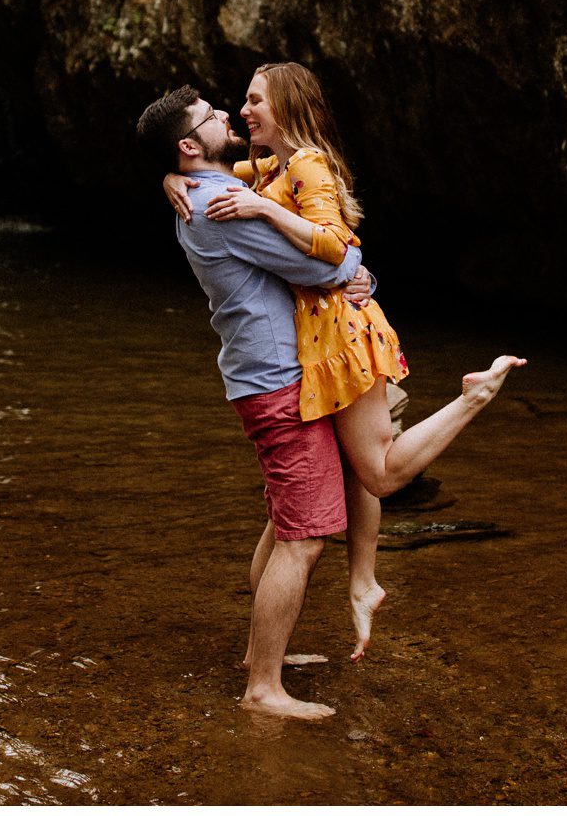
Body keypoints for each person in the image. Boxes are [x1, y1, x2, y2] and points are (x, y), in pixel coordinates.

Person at [137, 84, 366, 720]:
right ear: (190, 146)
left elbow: (260, 177)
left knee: (285, 521)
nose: (227, 116)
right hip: (278, 382)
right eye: (211, 117)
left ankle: (258, 655)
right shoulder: (220, 207)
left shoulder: (205, 190)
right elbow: (328, 267)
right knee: (305, 537)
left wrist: (167, 177)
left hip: (258, 376)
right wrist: (352, 263)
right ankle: (263, 686)